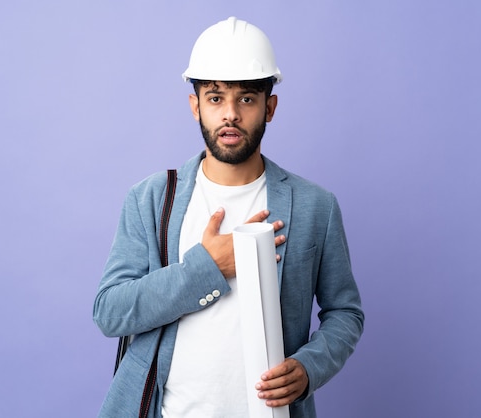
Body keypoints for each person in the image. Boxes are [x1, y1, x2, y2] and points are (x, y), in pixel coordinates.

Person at [93, 16, 364, 418]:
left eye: (247, 99)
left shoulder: (315, 206)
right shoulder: (151, 199)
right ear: (195, 106)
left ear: (269, 107)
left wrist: (309, 368)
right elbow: (110, 311)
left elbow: (346, 312)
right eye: (216, 98)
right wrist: (208, 267)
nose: (231, 114)